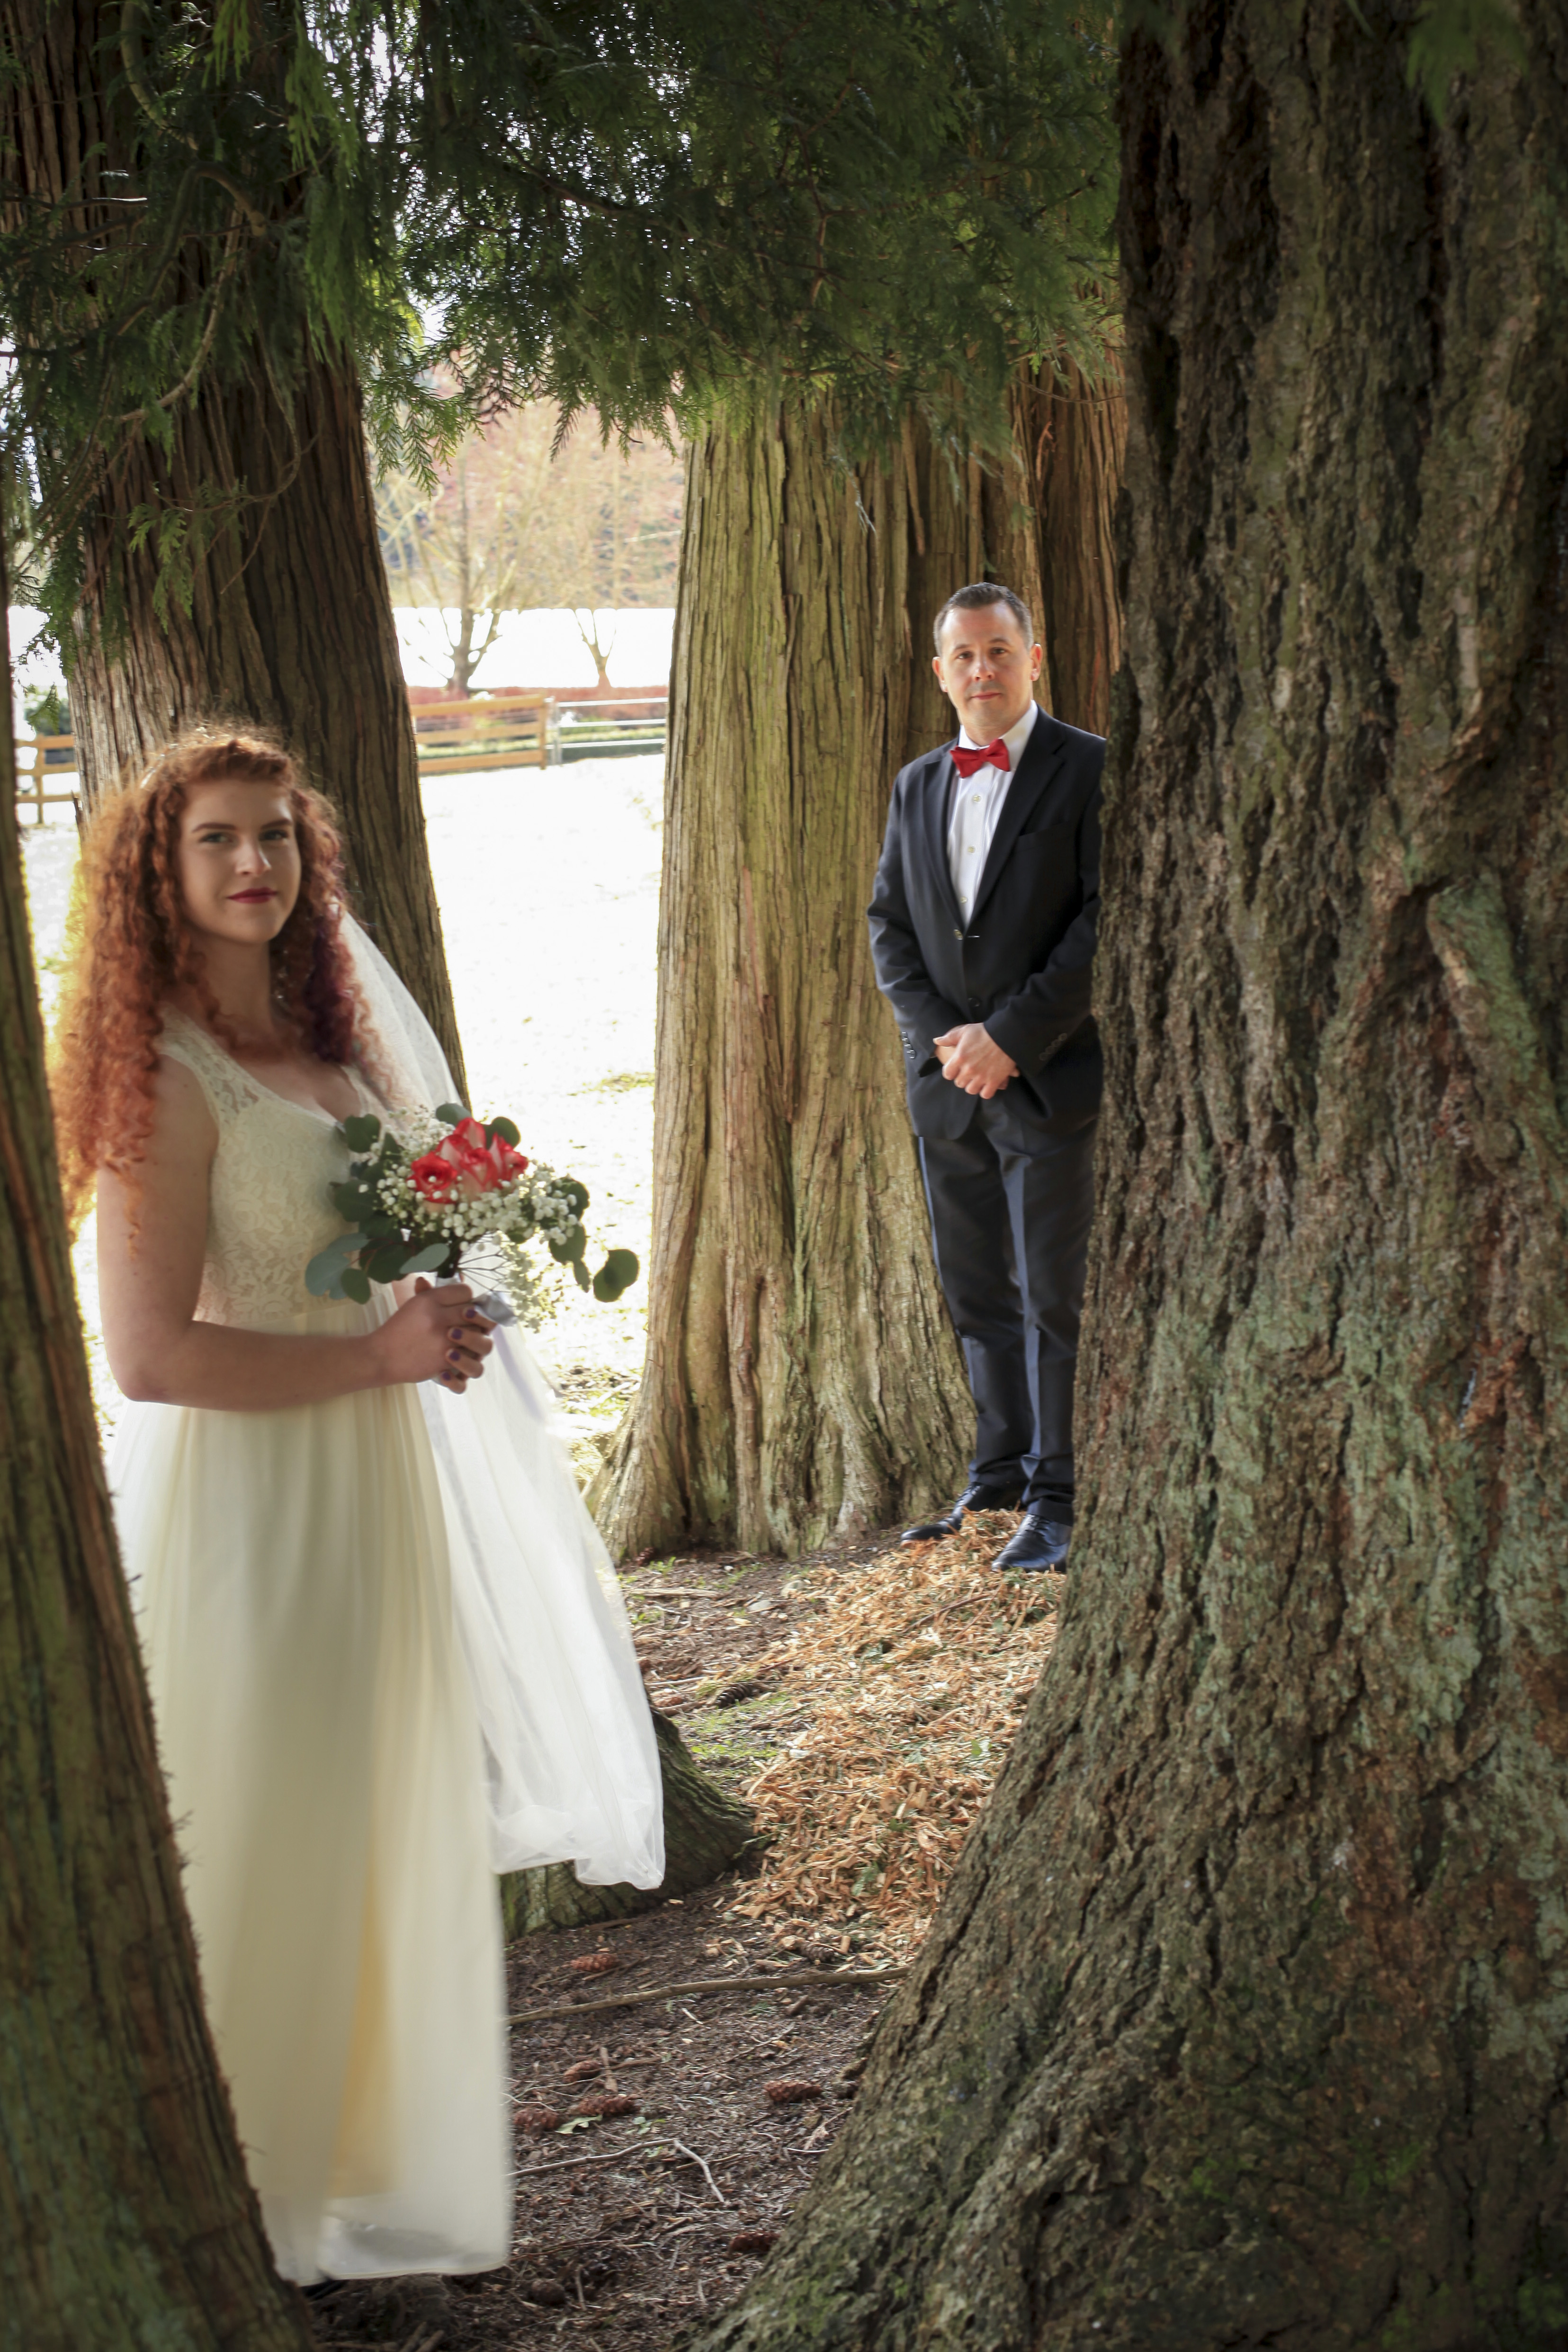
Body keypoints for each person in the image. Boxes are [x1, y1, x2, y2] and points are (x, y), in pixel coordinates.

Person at [50, 729, 663, 2284]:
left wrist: (440, 1309)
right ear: (158, 873)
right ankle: (238, 2185)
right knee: (263, 1807)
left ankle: (341, 2164)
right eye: (217, 840)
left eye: (276, 835)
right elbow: (147, 1354)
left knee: (370, 1816)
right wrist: (381, 1349)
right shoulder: (171, 1080)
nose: (256, 863)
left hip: (374, 1489)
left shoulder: (333, 1061)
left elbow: (389, 1247)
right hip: (255, 1505)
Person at [868, 584, 1103, 1572]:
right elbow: (890, 923)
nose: (982, 670)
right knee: (976, 1288)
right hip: (948, 1088)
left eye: (999, 650)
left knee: (1054, 1295)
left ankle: (1061, 1493)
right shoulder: (919, 783)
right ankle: (999, 1469)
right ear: (941, 670)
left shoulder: (1088, 768)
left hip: (1048, 1079)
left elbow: (1105, 919)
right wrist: (946, 1042)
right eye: (964, 655)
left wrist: (1010, 1037)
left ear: (1032, 658)